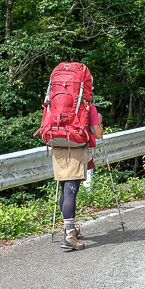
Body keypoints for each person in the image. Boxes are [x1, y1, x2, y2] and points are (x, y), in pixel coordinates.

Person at [52, 102, 103, 251]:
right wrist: (99, 121)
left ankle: (68, 230)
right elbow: (99, 134)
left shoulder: (58, 102)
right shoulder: (87, 106)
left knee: (64, 189)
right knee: (70, 190)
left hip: (58, 145)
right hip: (76, 148)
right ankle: (69, 235)